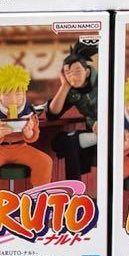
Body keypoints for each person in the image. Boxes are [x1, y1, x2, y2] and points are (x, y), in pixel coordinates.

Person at [0, 64, 54, 192]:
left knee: (45, 161)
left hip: (22, 147)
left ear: (24, 93)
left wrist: (29, 133)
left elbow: (35, 134)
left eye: (18, 94)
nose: (13, 100)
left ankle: (39, 195)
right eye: (7, 94)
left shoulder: (28, 110)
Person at [44, 40, 99, 185]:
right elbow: (52, 114)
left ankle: (74, 188)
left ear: (87, 71)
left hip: (113, 136)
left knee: (70, 141)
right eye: (68, 73)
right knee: (61, 142)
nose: (73, 76)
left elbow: (122, 106)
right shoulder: (74, 91)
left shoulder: (104, 82)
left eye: (77, 71)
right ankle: (75, 187)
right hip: (93, 135)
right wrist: (64, 86)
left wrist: (106, 122)